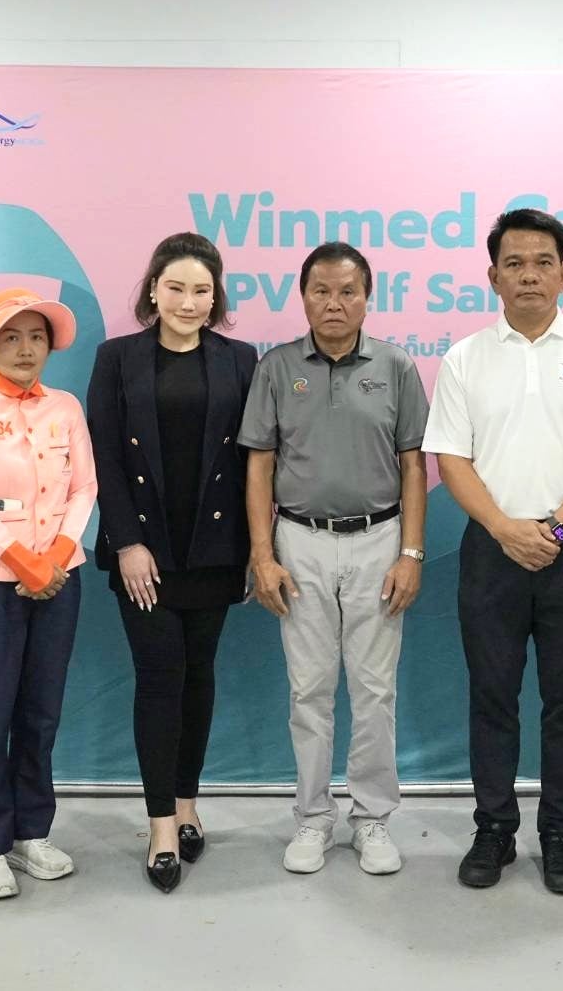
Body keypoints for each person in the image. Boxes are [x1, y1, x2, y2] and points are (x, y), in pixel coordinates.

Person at [422, 208, 563, 893]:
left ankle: (561, 834)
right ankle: (494, 829)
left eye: (543, 262)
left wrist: (557, 530)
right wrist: (505, 528)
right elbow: (451, 459)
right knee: (493, 697)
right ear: (493, 277)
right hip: (492, 549)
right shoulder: (465, 358)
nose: (529, 276)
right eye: (514, 263)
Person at [239, 241, 429, 876]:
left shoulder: (396, 366)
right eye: (321, 291)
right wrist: (262, 556)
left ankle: (372, 818)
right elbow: (259, 463)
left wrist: (411, 553)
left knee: (375, 690)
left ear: (368, 298)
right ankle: (312, 817)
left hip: (380, 540)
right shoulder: (277, 368)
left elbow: (413, 465)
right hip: (299, 542)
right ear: (303, 297)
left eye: (348, 292)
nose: (334, 303)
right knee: (309, 689)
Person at [86, 233, 258, 893]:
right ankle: (161, 824)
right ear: (153, 290)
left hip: (215, 551)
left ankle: (188, 804)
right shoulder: (117, 358)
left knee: (199, 677)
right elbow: (105, 455)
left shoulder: (240, 359)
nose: (189, 302)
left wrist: (257, 547)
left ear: (216, 298)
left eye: (202, 290)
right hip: (144, 555)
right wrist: (127, 542)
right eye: (177, 287)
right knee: (160, 677)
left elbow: (253, 461)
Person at [0, 287, 97, 901]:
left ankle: (32, 832)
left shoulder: (66, 407)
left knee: (41, 712)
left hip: (60, 579)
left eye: (36, 337)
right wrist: (20, 562)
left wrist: (54, 559)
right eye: (11, 337)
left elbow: (84, 488)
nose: (25, 349)